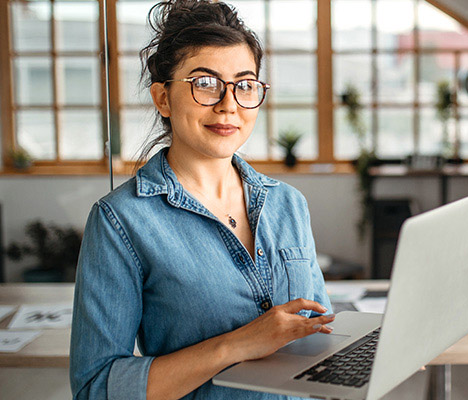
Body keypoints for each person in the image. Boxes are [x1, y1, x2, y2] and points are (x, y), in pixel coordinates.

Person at [70, 1, 334, 399]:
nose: (229, 104)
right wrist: (238, 344)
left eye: (244, 84)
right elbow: (96, 388)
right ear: (163, 99)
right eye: (205, 83)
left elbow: (318, 329)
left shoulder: (288, 204)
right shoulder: (121, 221)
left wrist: (371, 352)